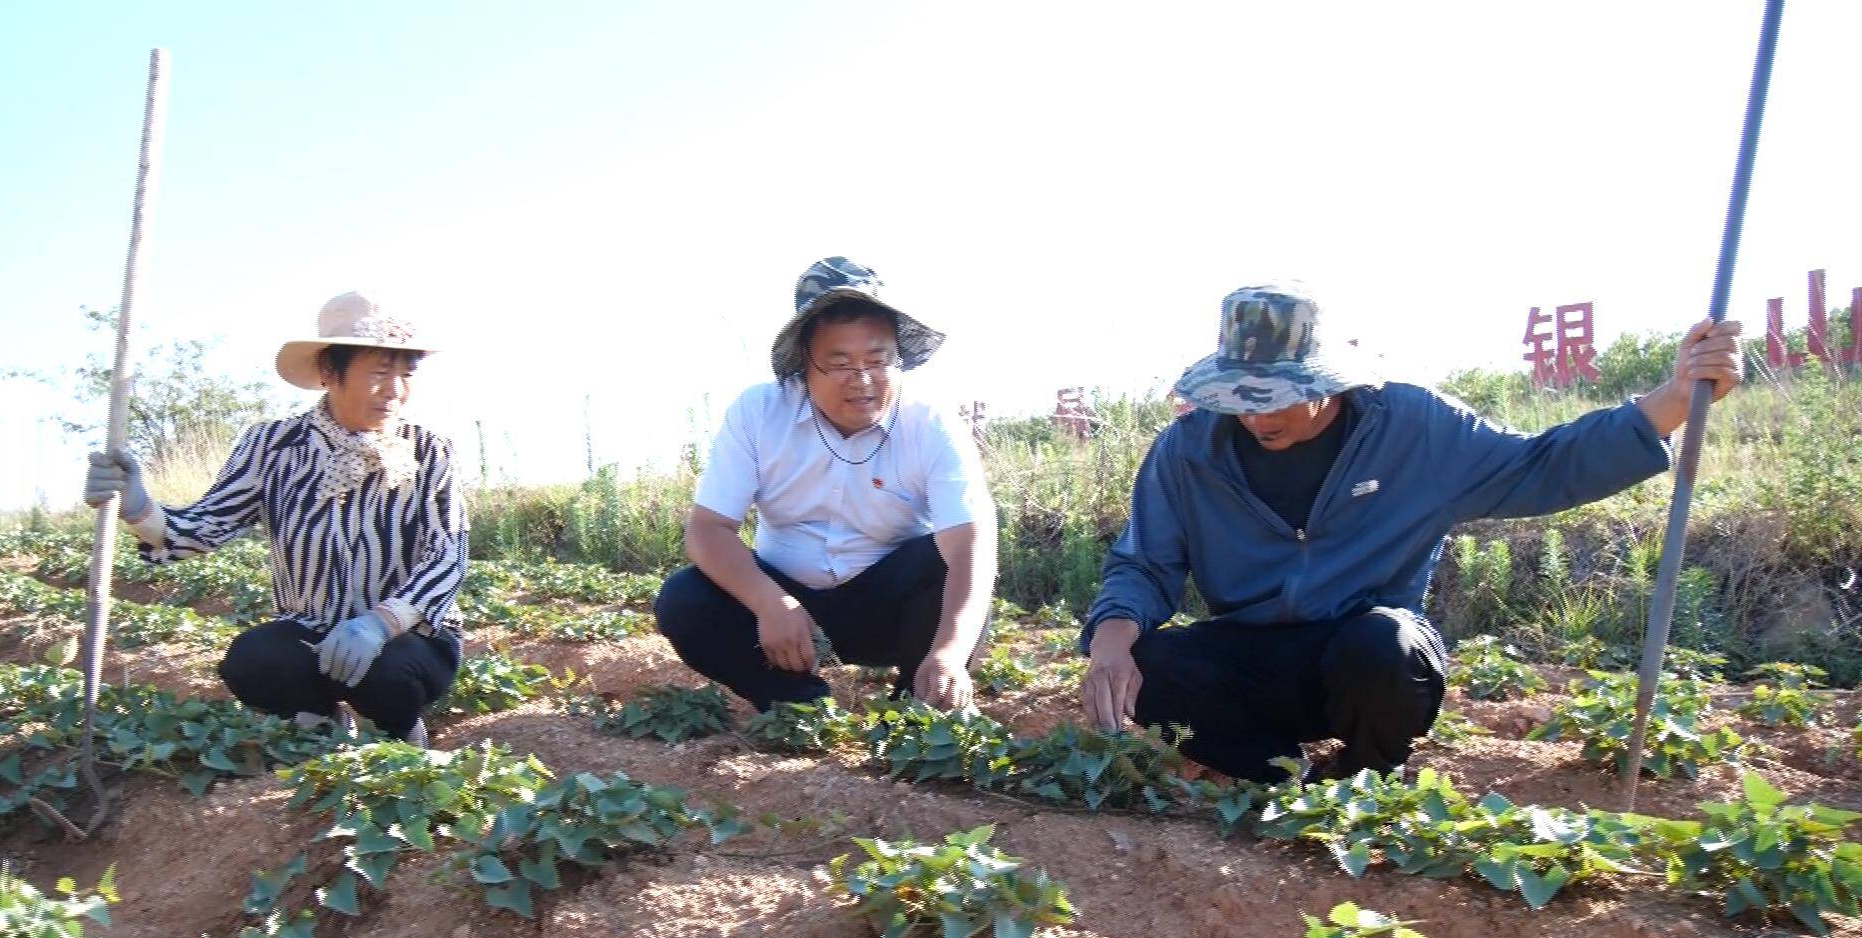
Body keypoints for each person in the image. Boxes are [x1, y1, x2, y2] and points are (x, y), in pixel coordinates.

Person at [1079, 282, 1743, 782]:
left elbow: (1541, 465)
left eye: (1277, 395)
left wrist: (1674, 399)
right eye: (1241, 397)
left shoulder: (1413, 429)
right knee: (1151, 666)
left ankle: (1363, 774)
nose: (1256, 417)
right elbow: (1146, 563)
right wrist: (1111, 640)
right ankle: (1276, 774)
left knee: (1387, 648)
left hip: (1361, 661)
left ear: (1327, 379)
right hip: (1249, 660)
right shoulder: (1190, 451)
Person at [83, 291, 467, 747]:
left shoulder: (430, 451)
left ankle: (400, 732)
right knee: (254, 661)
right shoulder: (272, 446)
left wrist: (379, 623)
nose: (395, 389)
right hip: (310, 628)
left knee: (388, 673)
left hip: (408, 635)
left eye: (406, 374)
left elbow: (448, 554)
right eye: (380, 372)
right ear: (330, 372)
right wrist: (137, 507)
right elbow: (204, 527)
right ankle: (320, 722)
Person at [655, 256, 996, 714]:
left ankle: (918, 708)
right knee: (686, 599)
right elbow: (707, 530)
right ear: (803, 364)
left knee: (947, 564)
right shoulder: (759, 413)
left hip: (887, 610)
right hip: (788, 605)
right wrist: (769, 602)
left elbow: (970, 544)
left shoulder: (930, 422)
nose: (862, 380)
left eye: (878, 360)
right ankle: (798, 706)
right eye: (840, 363)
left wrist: (950, 653)